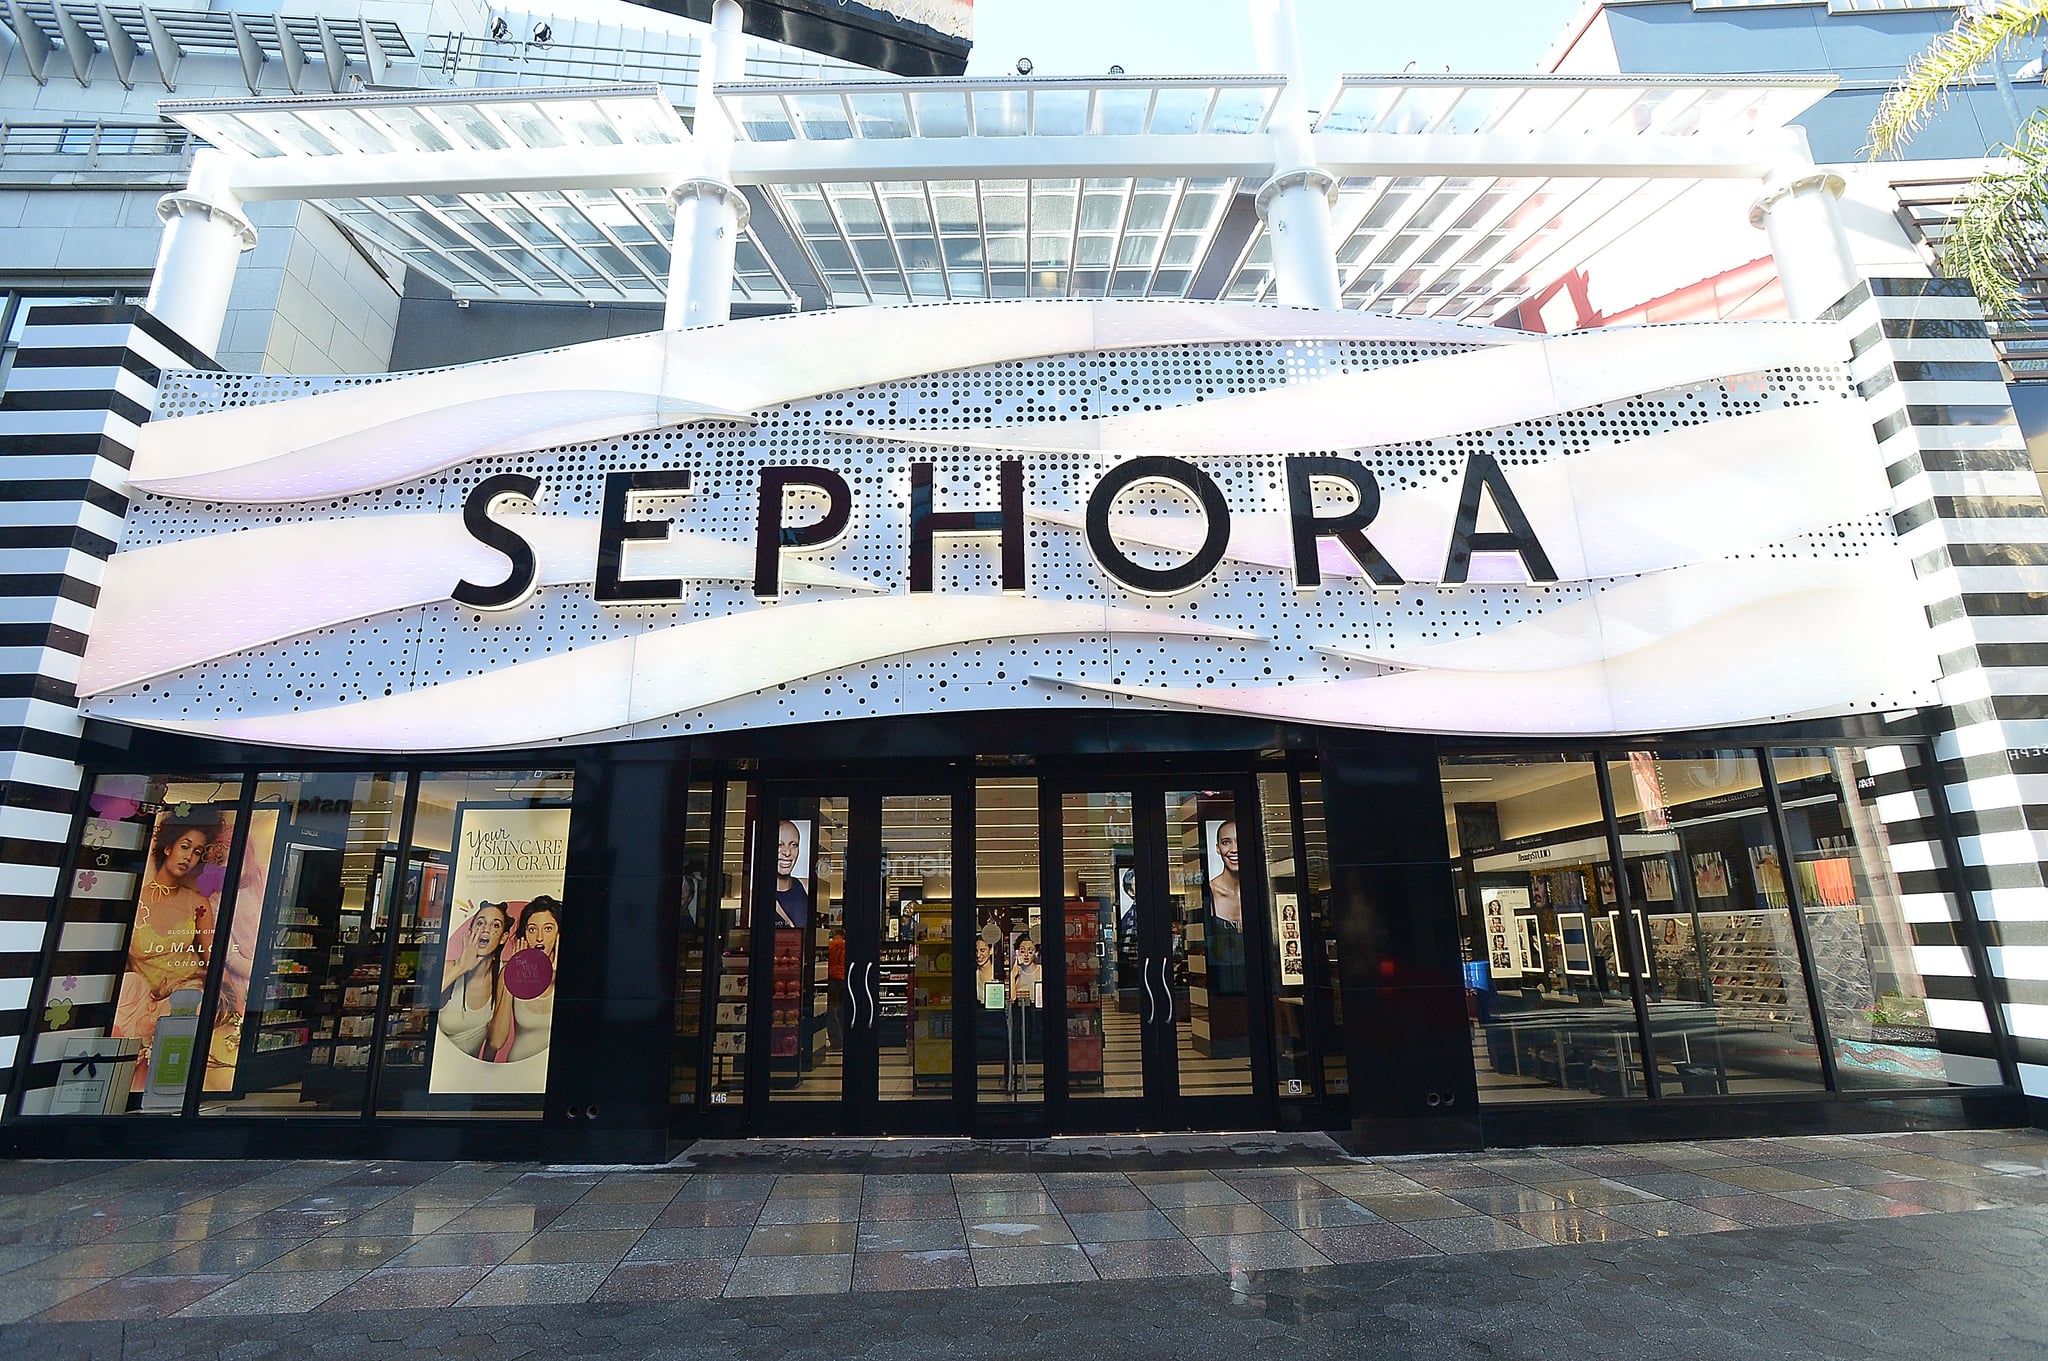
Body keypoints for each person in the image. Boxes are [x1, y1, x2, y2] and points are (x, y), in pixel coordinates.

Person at [114, 814, 219, 1088]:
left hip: (184, 988)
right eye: (185, 846)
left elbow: (213, 957)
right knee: (126, 989)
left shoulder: (198, 903)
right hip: (140, 993)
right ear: (168, 847)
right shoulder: (135, 899)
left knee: (185, 1009)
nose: (189, 857)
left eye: (197, 852)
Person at [490, 896, 560, 1063]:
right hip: (517, 1070)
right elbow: (496, 1042)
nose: (540, 938)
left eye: (548, 928)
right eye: (532, 929)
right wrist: (512, 978)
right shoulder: (510, 971)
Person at [437, 901, 506, 1058]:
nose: (486, 929)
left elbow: (493, 1045)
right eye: (480, 923)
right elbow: (421, 1008)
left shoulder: (502, 975)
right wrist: (461, 967)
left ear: (503, 937)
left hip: (469, 1073)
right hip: (438, 1068)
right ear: (469, 933)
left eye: (495, 926)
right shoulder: (449, 968)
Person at [1203, 820, 1246, 995]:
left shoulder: (1261, 889)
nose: (1234, 849)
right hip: (1221, 985)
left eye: (1239, 840)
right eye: (1226, 842)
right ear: (1217, 848)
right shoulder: (1210, 892)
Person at [772, 821, 809, 929]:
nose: (787, 853)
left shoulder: (806, 887)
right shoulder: (754, 897)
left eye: (794, 845)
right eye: (779, 845)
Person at [826, 925, 848, 1050]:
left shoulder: (831, 945)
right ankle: (846, 1038)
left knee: (832, 1011)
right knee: (842, 1010)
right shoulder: (847, 945)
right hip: (845, 978)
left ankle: (836, 1042)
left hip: (833, 978)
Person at [1009, 935, 1041, 1007]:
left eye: (1030, 951)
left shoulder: (1041, 970)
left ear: (1036, 952)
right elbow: (1012, 999)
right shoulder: (1015, 973)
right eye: (1023, 951)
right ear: (1017, 952)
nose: (1026, 954)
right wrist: (1012, 976)